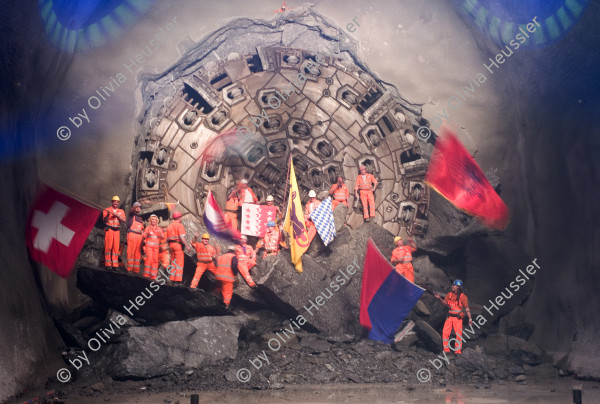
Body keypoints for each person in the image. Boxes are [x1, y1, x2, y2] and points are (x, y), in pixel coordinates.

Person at [436, 280, 473, 354]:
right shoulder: (449, 295)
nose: (452, 286)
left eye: (454, 285)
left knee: (458, 334)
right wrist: (439, 298)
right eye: (452, 285)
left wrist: (470, 318)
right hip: (449, 318)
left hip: (458, 318)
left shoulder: (463, 297)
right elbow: (445, 304)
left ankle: (458, 351)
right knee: (445, 333)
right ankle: (446, 350)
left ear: (458, 287)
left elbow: (466, 308)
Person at [166, 211, 192, 283]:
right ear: (179, 217)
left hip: (171, 245)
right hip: (177, 245)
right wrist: (187, 246)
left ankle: (172, 278)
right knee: (179, 262)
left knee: (173, 262)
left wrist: (169, 246)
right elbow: (182, 238)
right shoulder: (180, 225)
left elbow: (167, 239)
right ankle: (177, 280)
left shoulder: (169, 226)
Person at [103, 196, 126, 270]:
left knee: (116, 248)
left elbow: (124, 220)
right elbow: (105, 221)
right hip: (109, 229)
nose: (116, 203)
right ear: (112, 202)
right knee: (108, 247)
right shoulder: (107, 210)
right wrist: (108, 215)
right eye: (114, 201)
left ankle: (115, 265)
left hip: (117, 230)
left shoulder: (121, 211)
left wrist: (118, 216)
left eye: (117, 202)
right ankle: (108, 264)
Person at [141, 214, 165, 280]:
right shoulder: (148, 228)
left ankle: (153, 276)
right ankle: (146, 275)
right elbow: (144, 236)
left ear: (157, 221)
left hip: (156, 248)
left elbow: (163, 237)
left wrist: (160, 232)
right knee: (149, 260)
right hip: (149, 247)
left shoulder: (159, 229)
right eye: (152, 219)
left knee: (155, 261)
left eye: (155, 219)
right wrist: (147, 232)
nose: (153, 221)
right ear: (150, 221)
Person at [126, 202, 144, 273]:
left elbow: (142, 230)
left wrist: (142, 239)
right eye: (137, 207)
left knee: (138, 254)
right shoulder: (131, 215)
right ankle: (129, 269)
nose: (139, 208)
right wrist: (134, 208)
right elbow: (131, 211)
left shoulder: (140, 219)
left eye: (139, 207)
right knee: (131, 252)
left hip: (139, 236)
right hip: (132, 234)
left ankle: (136, 270)